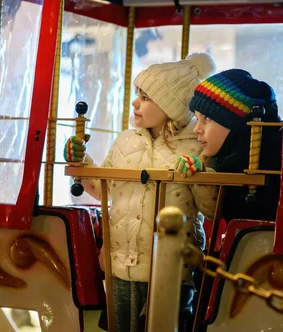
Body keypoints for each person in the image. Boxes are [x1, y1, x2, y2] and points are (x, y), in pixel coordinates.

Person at [64, 53, 217, 332]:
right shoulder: (125, 141)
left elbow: (210, 208)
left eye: (145, 97)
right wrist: (81, 164)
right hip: (120, 264)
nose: (135, 102)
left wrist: (202, 176)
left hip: (170, 268)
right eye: (138, 94)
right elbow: (103, 190)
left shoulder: (194, 148)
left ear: (171, 106)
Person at [175, 69, 283, 224]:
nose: (197, 129)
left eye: (206, 118)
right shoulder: (227, 160)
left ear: (236, 122)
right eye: (197, 119)